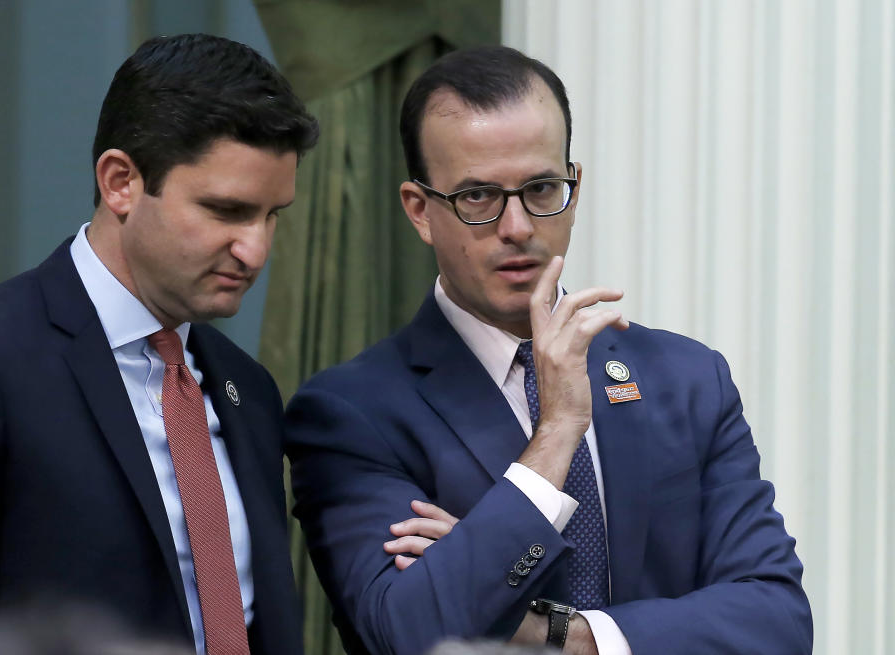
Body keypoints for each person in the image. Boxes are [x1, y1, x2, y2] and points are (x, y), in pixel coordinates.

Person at [285, 46, 812, 655]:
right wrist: (557, 429)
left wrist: (559, 635)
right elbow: (407, 631)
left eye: (540, 188)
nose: (518, 227)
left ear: (575, 185)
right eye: (477, 196)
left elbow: (777, 618)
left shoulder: (688, 378)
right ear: (420, 211)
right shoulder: (353, 412)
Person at [0, 33, 318, 655]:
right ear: (120, 182)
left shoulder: (246, 387)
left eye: (273, 215)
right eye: (226, 210)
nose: (256, 250)